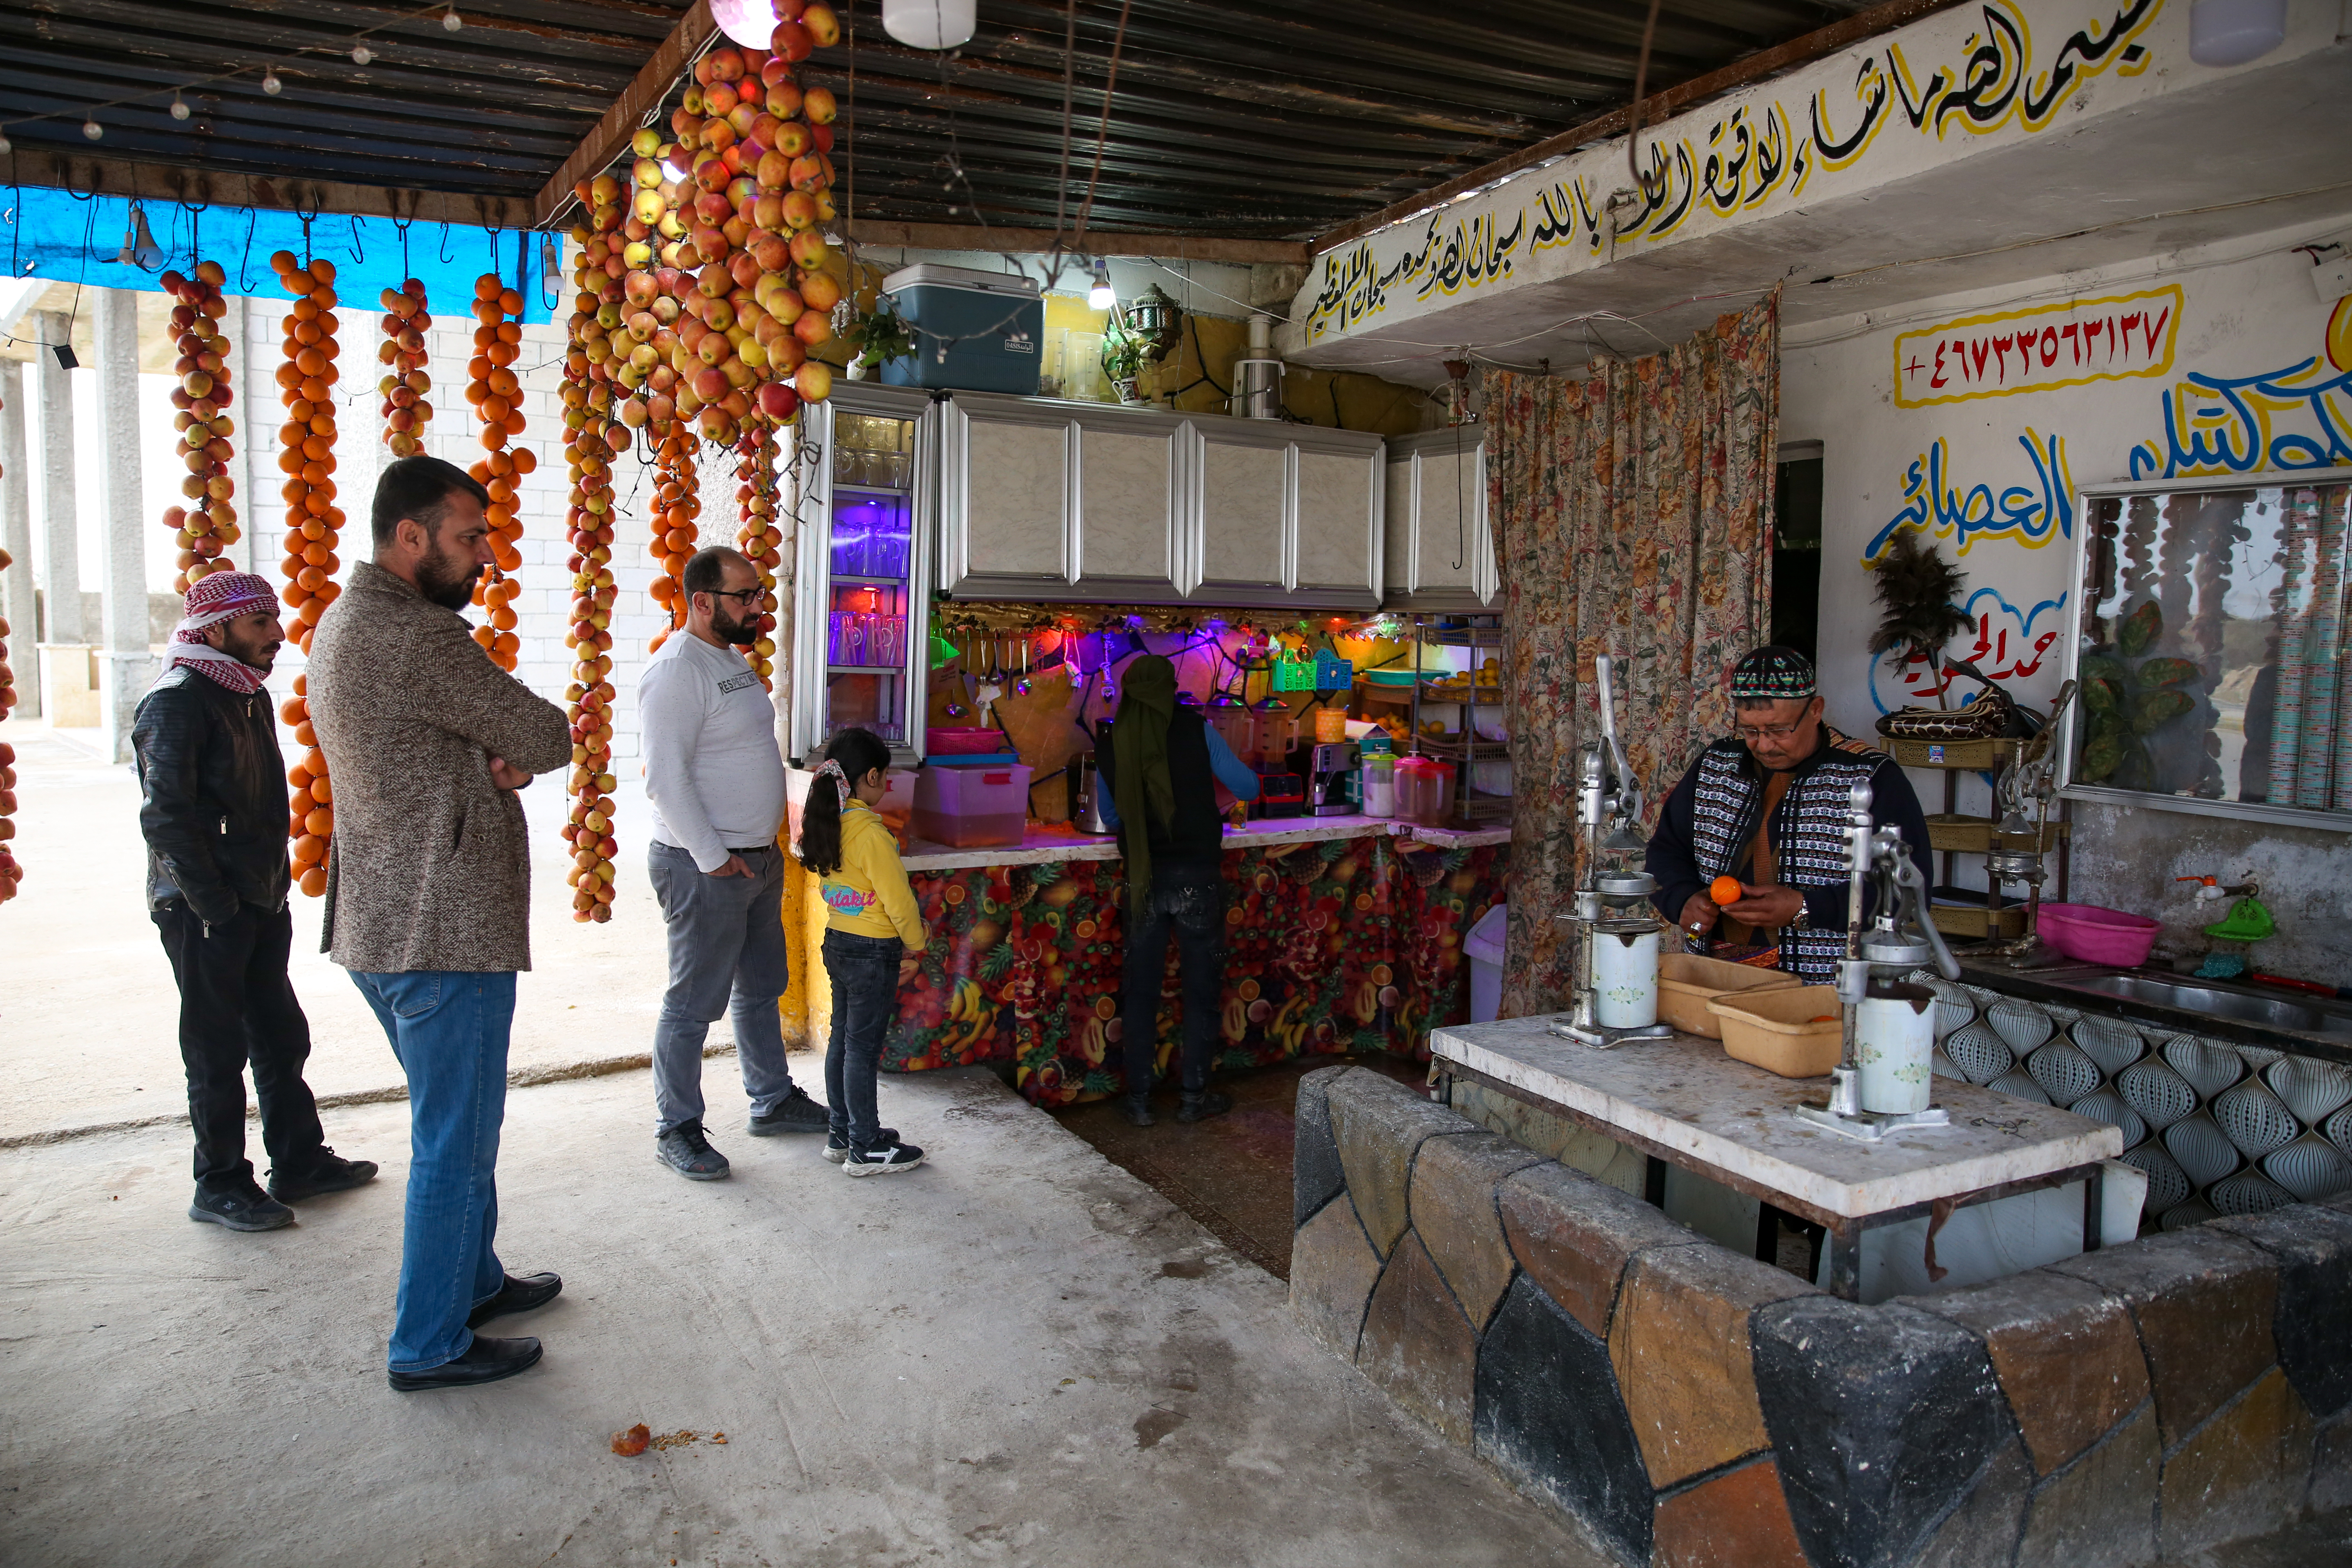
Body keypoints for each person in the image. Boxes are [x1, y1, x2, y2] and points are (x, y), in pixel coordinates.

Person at [305, 455, 572, 1392]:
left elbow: (453, 743)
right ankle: (428, 1341)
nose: (485, 556)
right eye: (469, 537)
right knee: (454, 1140)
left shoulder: (343, 620)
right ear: (408, 537)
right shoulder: (416, 636)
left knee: (451, 1122)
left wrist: (481, 754)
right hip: (438, 929)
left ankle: (477, 1279)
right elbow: (547, 732)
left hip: (387, 921)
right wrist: (504, 751)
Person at [132, 572, 376, 1233]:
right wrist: (216, 908)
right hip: (203, 908)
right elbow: (167, 820)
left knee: (280, 1034)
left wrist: (265, 894)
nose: (278, 634)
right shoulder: (178, 702)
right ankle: (218, 1183)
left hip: (258, 899)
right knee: (215, 1050)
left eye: (274, 619)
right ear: (216, 630)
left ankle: (297, 1160)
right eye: (260, 623)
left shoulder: (244, 695)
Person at [639, 546, 828, 1181]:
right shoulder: (674, 671)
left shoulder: (729, 660)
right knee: (693, 1004)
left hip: (756, 860)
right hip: (706, 867)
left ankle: (771, 1101)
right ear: (701, 601)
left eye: (759, 594)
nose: (758, 606)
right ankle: (677, 1128)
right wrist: (715, 858)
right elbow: (664, 780)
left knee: (761, 990)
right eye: (745, 597)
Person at [1646, 644, 1932, 983]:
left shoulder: (1870, 777)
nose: (1764, 745)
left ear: (1815, 710)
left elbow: (1910, 892)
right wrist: (1681, 900)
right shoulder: (1715, 765)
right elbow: (1665, 852)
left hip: (1827, 987)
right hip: (1714, 975)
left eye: (1779, 730)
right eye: (1750, 731)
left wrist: (1806, 908)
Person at [1094, 654, 1260, 1128]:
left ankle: (1141, 1101)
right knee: (1200, 989)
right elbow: (1247, 786)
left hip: (1145, 880)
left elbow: (1112, 818)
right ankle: (1193, 1097)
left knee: (1142, 991)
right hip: (1198, 877)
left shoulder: (1112, 741)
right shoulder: (1196, 729)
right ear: (1170, 690)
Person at [797, 728, 927, 1175]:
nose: (887, 785)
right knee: (862, 1051)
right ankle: (866, 1145)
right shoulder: (870, 832)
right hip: (873, 952)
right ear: (871, 776)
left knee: (843, 1040)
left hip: (838, 943)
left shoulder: (830, 823)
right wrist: (918, 940)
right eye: (886, 777)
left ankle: (843, 1130)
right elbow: (898, 900)